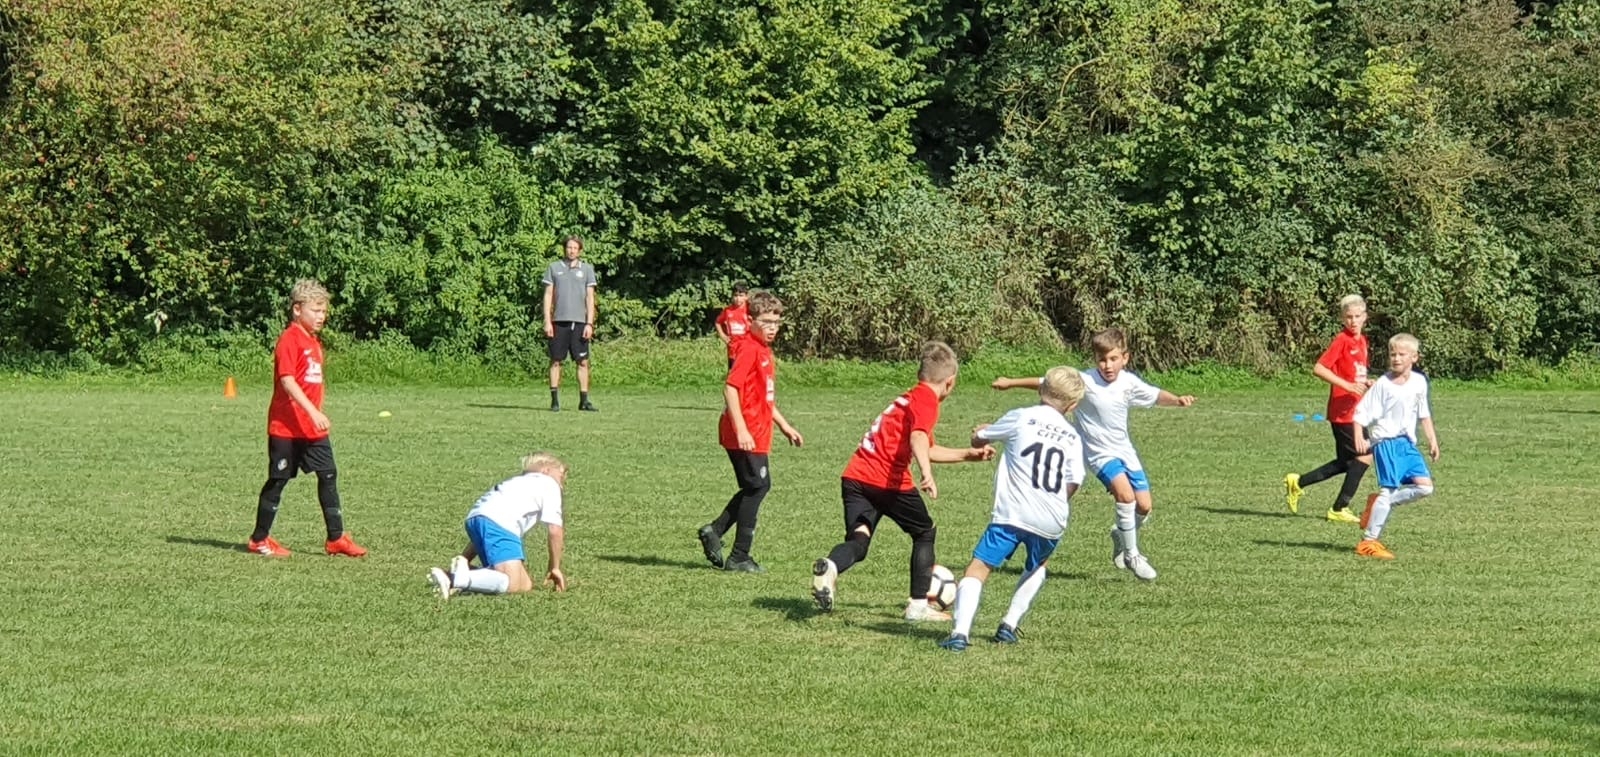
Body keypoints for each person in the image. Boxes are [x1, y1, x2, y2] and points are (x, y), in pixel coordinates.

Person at [810, 340, 995, 621]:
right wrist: (926, 473)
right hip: (886, 479)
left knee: (859, 540)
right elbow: (918, 438)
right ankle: (918, 606)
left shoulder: (910, 398)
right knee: (924, 532)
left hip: (855, 477)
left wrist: (967, 455)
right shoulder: (927, 400)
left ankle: (831, 566)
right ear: (950, 382)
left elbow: (927, 447)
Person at [992, 328, 1194, 581]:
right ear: (1095, 359)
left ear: (1125, 358)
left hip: (1125, 451)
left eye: (1113, 359)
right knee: (1125, 496)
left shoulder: (1128, 383)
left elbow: (1154, 395)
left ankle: (1120, 534)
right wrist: (1010, 382)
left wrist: (1177, 400)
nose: (1107, 365)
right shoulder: (1085, 381)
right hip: (1098, 454)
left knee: (1144, 506)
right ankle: (1132, 555)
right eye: (1102, 359)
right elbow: (1047, 382)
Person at [938, 367, 1086, 652]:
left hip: (1013, 514)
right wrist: (1054, 501)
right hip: (1052, 517)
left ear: (1041, 390)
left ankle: (959, 634)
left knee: (979, 568)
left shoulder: (1021, 416)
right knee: (1038, 565)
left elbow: (980, 438)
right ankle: (1008, 625)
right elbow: (1075, 480)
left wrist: (979, 432)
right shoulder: (1072, 436)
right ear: (1072, 406)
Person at [247, 279, 367, 558]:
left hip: (311, 429)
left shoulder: (313, 342)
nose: (321, 316)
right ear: (297, 309)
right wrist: (313, 411)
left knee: (328, 474)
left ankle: (336, 538)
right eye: (315, 310)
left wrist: (315, 413)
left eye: (324, 311)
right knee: (278, 480)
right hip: (286, 428)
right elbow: (287, 380)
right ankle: (259, 539)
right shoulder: (290, 339)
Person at [697, 291, 804, 573]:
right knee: (758, 486)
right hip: (744, 433)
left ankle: (715, 531)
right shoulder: (748, 349)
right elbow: (730, 389)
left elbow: (764, 397)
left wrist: (784, 425)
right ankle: (739, 556)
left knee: (755, 486)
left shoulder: (764, 350)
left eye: (776, 322)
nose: (772, 328)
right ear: (750, 320)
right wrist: (742, 430)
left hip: (758, 430)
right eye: (766, 321)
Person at [1284, 295, 1374, 523]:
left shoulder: (1362, 341)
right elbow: (1319, 368)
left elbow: (1355, 372)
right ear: (1343, 318)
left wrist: (1366, 383)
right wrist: (1347, 386)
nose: (1353, 321)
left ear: (1365, 317)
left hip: (1356, 410)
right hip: (1343, 412)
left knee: (1347, 462)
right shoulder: (1342, 340)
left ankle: (1298, 482)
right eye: (1348, 317)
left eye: (1357, 316)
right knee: (1365, 456)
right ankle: (1339, 508)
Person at [428, 452, 569, 597]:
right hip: (502, 524)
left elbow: (487, 530)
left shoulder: (517, 482)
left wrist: (465, 558)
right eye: (561, 476)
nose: (562, 483)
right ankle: (452, 579)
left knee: (525, 584)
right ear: (546, 470)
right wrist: (555, 567)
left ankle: (464, 574)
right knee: (513, 583)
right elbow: (555, 530)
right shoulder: (549, 484)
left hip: (475, 517)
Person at [1350, 334, 1439, 560]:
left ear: (1414, 357)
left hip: (1406, 443)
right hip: (1386, 441)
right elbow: (1361, 412)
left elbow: (1424, 413)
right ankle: (1368, 542)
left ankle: (1378, 505)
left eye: (1401, 354)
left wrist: (1432, 439)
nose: (1396, 358)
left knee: (1425, 487)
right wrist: (1359, 435)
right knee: (1387, 490)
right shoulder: (1383, 384)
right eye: (1393, 354)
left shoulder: (1419, 382)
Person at [543, 236, 598, 412]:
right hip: (558, 322)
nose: (571, 250)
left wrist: (589, 324)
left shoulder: (587, 270)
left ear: (579, 250)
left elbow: (590, 298)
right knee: (555, 361)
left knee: (582, 362)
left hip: (580, 323)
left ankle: (584, 401)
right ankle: (554, 401)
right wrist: (547, 321)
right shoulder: (554, 268)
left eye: (575, 248)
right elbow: (548, 295)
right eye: (569, 247)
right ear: (564, 249)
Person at [714, 282, 751, 370]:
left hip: (746, 346)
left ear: (746, 296)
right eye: (735, 295)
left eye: (741, 296)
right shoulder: (728, 311)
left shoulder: (750, 310)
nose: (738, 298)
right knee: (733, 371)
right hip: (733, 347)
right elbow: (718, 322)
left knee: (746, 370)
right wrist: (723, 336)